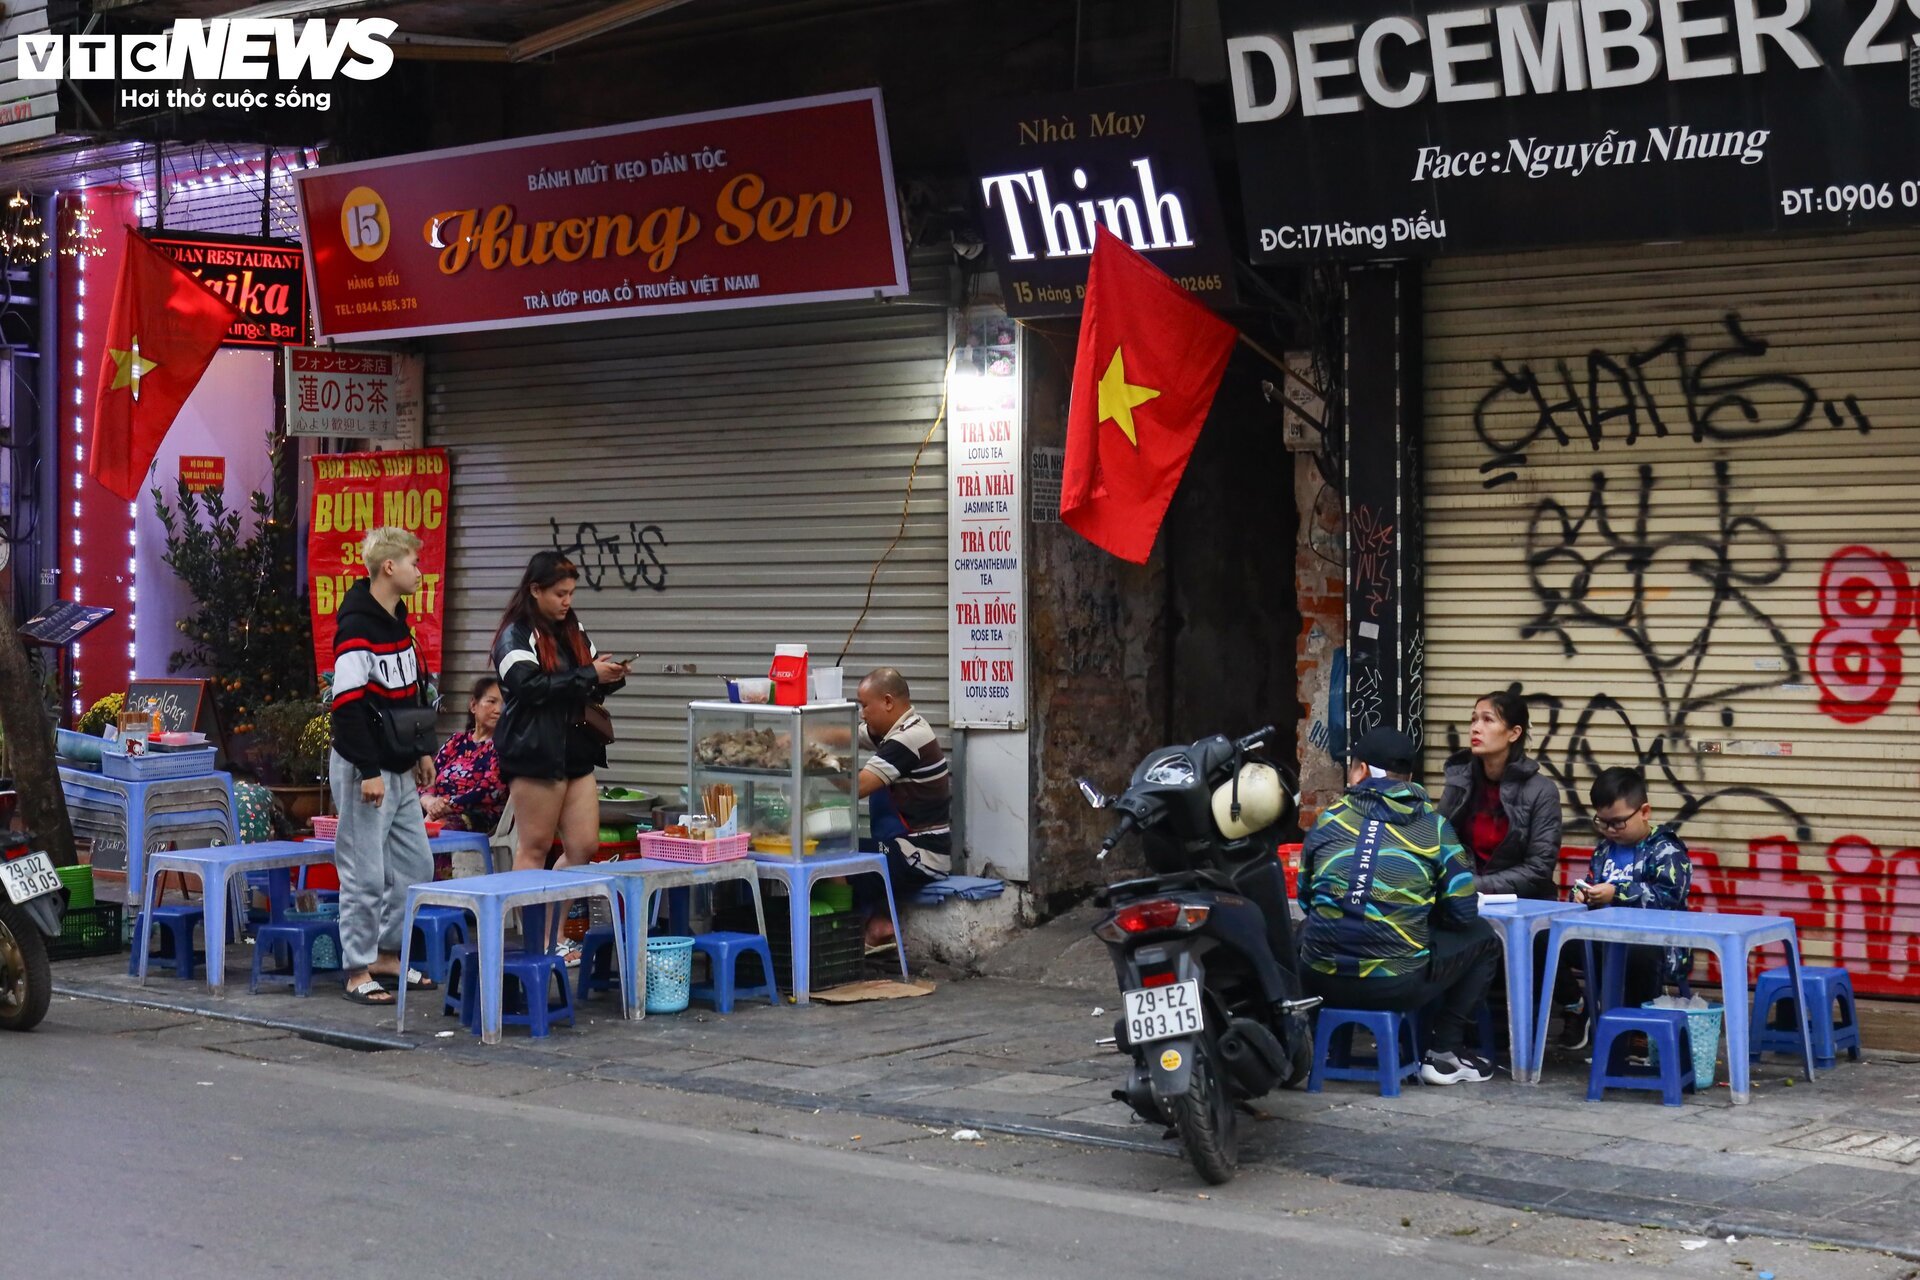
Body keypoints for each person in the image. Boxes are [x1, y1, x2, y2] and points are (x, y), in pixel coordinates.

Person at [1298, 726, 1499, 1085]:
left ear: (1359, 771)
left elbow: (1306, 899)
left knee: (1305, 931)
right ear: (1408, 778)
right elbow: (1464, 914)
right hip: (1396, 984)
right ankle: (1444, 1053)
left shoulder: (1328, 820)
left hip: (1320, 979)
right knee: (1484, 938)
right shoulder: (1434, 829)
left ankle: (1311, 1042)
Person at [490, 552, 628, 962]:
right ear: (535, 590)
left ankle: (553, 938)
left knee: (583, 846)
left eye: (571, 593)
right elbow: (527, 685)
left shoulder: (573, 628)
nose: (567, 601)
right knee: (533, 847)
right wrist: (589, 675)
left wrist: (608, 676)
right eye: (559, 593)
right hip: (535, 752)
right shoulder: (514, 634)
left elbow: (583, 678)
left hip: (577, 750)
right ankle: (524, 941)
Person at [328, 526, 438, 1006]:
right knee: (364, 873)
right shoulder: (357, 627)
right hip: (363, 769)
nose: (420, 570)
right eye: (413, 562)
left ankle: (388, 956)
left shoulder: (399, 623)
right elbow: (347, 705)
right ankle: (356, 968)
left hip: (397, 765)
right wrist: (369, 769)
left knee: (416, 864)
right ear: (389, 567)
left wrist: (421, 750)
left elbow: (410, 697)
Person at [1560, 766, 1694, 1049]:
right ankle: (1578, 1005)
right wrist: (1582, 894)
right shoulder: (1604, 850)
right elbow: (1592, 882)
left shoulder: (1666, 849)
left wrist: (1616, 893)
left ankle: (1639, 1028)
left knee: (1638, 951)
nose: (1610, 830)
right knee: (1546, 939)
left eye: (1618, 822)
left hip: (1657, 943)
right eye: (1603, 822)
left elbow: (1669, 897)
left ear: (1644, 811)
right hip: (1606, 939)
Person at [852, 667, 949, 950]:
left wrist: (820, 765)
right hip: (900, 845)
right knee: (851, 852)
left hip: (920, 854)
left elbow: (856, 788)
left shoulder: (906, 740)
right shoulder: (901, 728)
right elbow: (848, 734)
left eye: (864, 706)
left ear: (888, 702)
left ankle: (868, 928)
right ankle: (876, 921)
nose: (862, 713)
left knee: (838, 861)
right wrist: (808, 734)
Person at [1438, 690, 1563, 899]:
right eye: (1474, 720)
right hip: (1462, 902)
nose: (1476, 728)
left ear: (1514, 733)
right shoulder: (1459, 781)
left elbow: (1539, 869)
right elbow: (1436, 841)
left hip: (1522, 905)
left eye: (1488, 720)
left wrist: (1472, 885)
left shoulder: (1542, 791)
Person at [423, 677, 508, 835]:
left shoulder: (503, 747)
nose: (498, 710)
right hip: (435, 809)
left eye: (503, 704)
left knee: (437, 830)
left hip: (478, 816)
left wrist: (443, 808)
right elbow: (429, 777)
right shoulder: (456, 741)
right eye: (492, 701)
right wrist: (430, 802)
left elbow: (487, 791)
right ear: (473, 705)